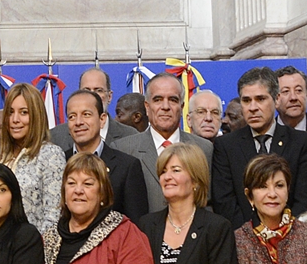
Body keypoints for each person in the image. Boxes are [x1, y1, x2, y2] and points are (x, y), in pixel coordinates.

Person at [211, 67, 307, 226]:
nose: (253, 107)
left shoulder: (301, 142)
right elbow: (224, 202)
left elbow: (305, 199)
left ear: (276, 99)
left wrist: (281, 235)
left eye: (260, 99)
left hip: (291, 239)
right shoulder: (226, 145)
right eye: (246, 100)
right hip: (243, 242)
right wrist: (253, 237)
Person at [112, 73, 215, 212]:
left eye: (172, 100)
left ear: (182, 106)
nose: (165, 106)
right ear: (147, 107)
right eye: (158, 99)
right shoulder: (123, 149)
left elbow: (208, 204)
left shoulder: (204, 148)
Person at [62, 89, 149, 221]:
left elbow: (136, 225)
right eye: (72, 116)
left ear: (102, 120)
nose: (78, 122)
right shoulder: (59, 162)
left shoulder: (127, 167)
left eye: (86, 114)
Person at [0, 83, 66, 236]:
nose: (15, 119)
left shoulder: (50, 155)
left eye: (23, 112)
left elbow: (53, 216)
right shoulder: (1, 155)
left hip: (33, 250)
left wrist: (31, 249)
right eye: (10, 112)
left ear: (36, 116)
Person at [50, 67, 138, 153]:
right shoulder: (56, 137)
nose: (92, 95)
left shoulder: (131, 136)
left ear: (109, 96)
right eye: (86, 90)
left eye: (99, 90)